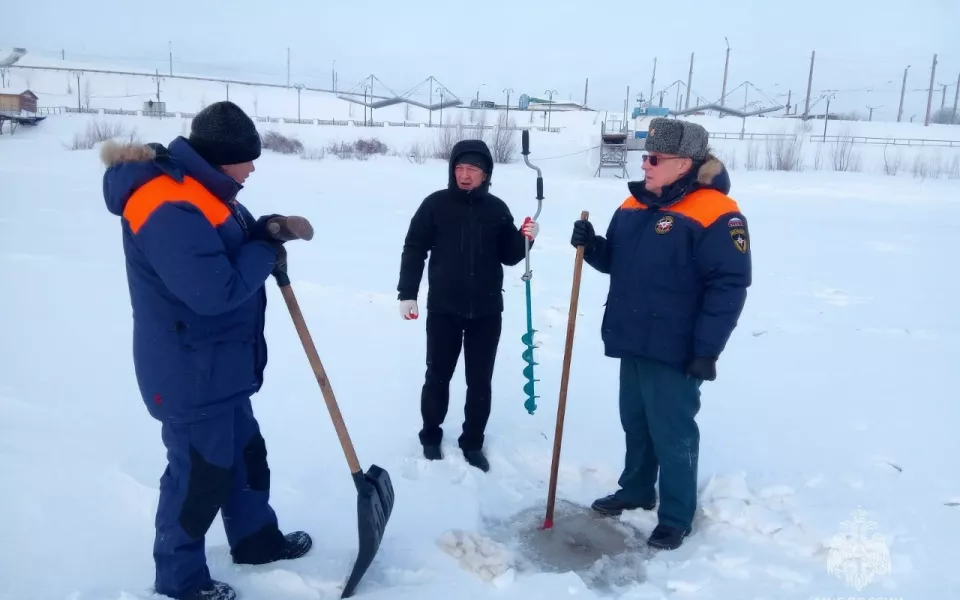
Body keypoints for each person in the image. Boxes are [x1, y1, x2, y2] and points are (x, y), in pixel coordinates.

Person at [101, 101, 314, 600]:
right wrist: (264, 251)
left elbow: (223, 244)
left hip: (221, 365)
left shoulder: (204, 191)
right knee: (198, 477)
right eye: (248, 158)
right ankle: (180, 579)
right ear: (223, 158)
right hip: (189, 371)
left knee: (245, 455)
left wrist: (264, 230)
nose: (254, 168)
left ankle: (256, 540)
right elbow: (213, 291)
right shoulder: (165, 204)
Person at [570, 117, 751, 551]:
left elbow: (729, 285)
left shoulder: (716, 212)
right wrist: (593, 247)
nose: (645, 165)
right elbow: (618, 262)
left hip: (676, 346)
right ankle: (635, 489)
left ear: (684, 164)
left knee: (673, 431)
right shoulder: (634, 205)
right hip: (632, 335)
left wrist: (707, 350)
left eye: (654, 158)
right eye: (644, 156)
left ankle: (676, 515)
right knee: (635, 421)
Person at [397, 139, 539, 473]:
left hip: (487, 311)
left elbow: (509, 256)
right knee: (438, 376)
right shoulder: (435, 205)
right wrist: (407, 293)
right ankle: (431, 436)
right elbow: (414, 248)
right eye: (460, 168)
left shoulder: (497, 209)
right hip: (444, 308)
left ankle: (472, 441)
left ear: (486, 174)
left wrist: (526, 238)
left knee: (479, 380)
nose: (465, 175)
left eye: (472, 170)